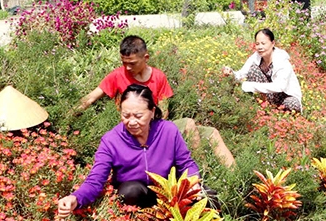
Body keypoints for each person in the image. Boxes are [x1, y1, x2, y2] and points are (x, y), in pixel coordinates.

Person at [76, 35, 235, 168]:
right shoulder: (117, 75)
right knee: (188, 124)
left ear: (146, 58)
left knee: (212, 132)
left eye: (132, 63)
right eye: (124, 62)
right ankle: (199, 171)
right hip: (132, 128)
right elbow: (90, 98)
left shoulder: (158, 76)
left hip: (156, 126)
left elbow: (164, 111)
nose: (128, 67)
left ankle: (236, 179)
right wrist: (69, 115)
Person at [57, 85, 209, 216]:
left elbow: (186, 163)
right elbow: (96, 179)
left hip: (169, 194)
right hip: (137, 196)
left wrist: (193, 182)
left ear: (152, 111)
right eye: (126, 115)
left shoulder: (168, 131)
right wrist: (76, 198)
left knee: (209, 198)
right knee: (130, 191)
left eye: (138, 116)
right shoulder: (111, 140)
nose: (131, 122)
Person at [223, 28, 303, 112]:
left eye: (263, 43)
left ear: (272, 43)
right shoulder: (256, 56)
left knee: (293, 104)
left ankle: (279, 115)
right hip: (268, 96)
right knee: (253, 69)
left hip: (284, 96)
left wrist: (251, 86)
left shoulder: (281, 60)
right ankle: (263, 108)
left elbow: (280, 87)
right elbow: (242, 73)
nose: (260, 47)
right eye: (257, 44)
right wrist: (231, 73)